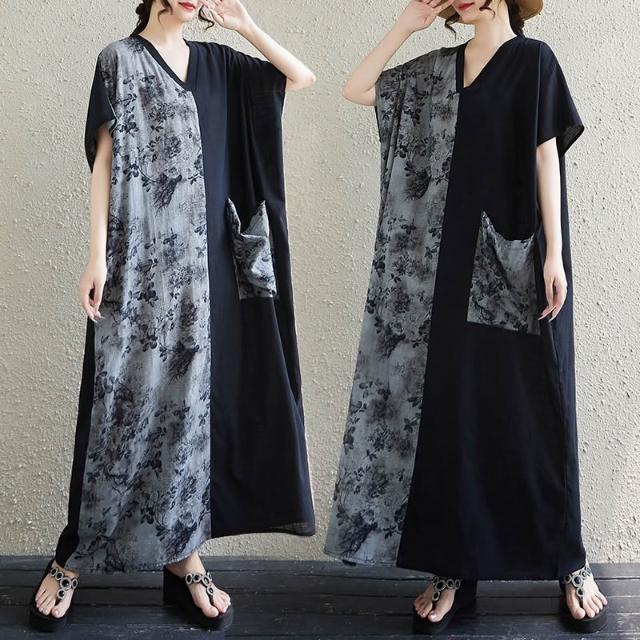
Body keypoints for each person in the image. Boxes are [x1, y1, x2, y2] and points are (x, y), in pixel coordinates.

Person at [29, 0, 316, 633]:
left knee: (191, 413)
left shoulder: (220, 64)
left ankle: (184, 556)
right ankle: (74, 553)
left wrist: (244, 25)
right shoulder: (120, 61)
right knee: (119, 405)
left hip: (208, 273)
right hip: (137, 264)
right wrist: (96, 256)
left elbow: (300, 78)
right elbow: (105, 159)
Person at [324, 0, 609, 634]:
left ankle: (569, 560)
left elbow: (546, 155)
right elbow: (357, 89)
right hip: (443, 274)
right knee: (454, 418)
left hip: (518, 259)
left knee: (539, 409)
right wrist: (406, 25)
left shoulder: (533, 60)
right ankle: (453, 564)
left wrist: (554, 254)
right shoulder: (436, 70)